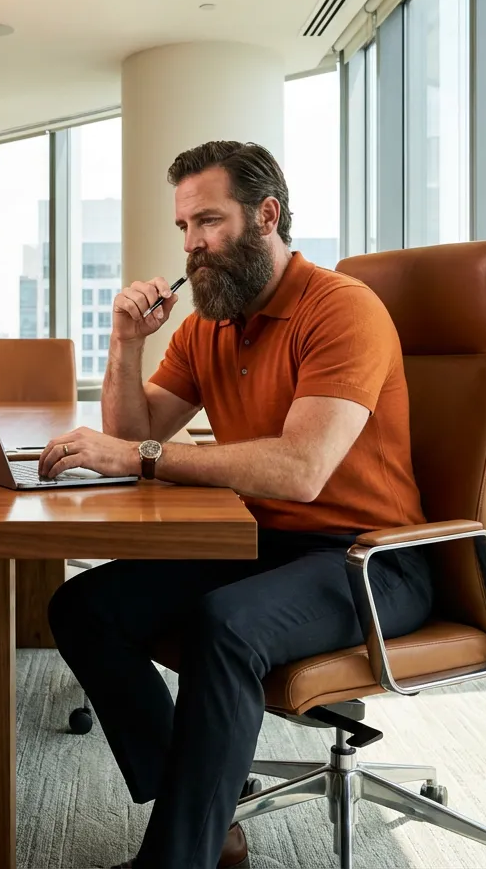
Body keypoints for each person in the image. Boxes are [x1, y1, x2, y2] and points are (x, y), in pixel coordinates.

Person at [39, 141, 434, 869]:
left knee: (226, 625)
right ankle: (206, 812)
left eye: (209, 221)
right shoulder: (207, 327)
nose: (191, 245)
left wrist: (141, 458)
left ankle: (179, 856)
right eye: (184, 227)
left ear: (266, 216)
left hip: (373, 559)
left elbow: (301, 468)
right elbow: (132, 437)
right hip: (265, 544)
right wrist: (125, 344)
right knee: (84, 608)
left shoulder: (340, 308)